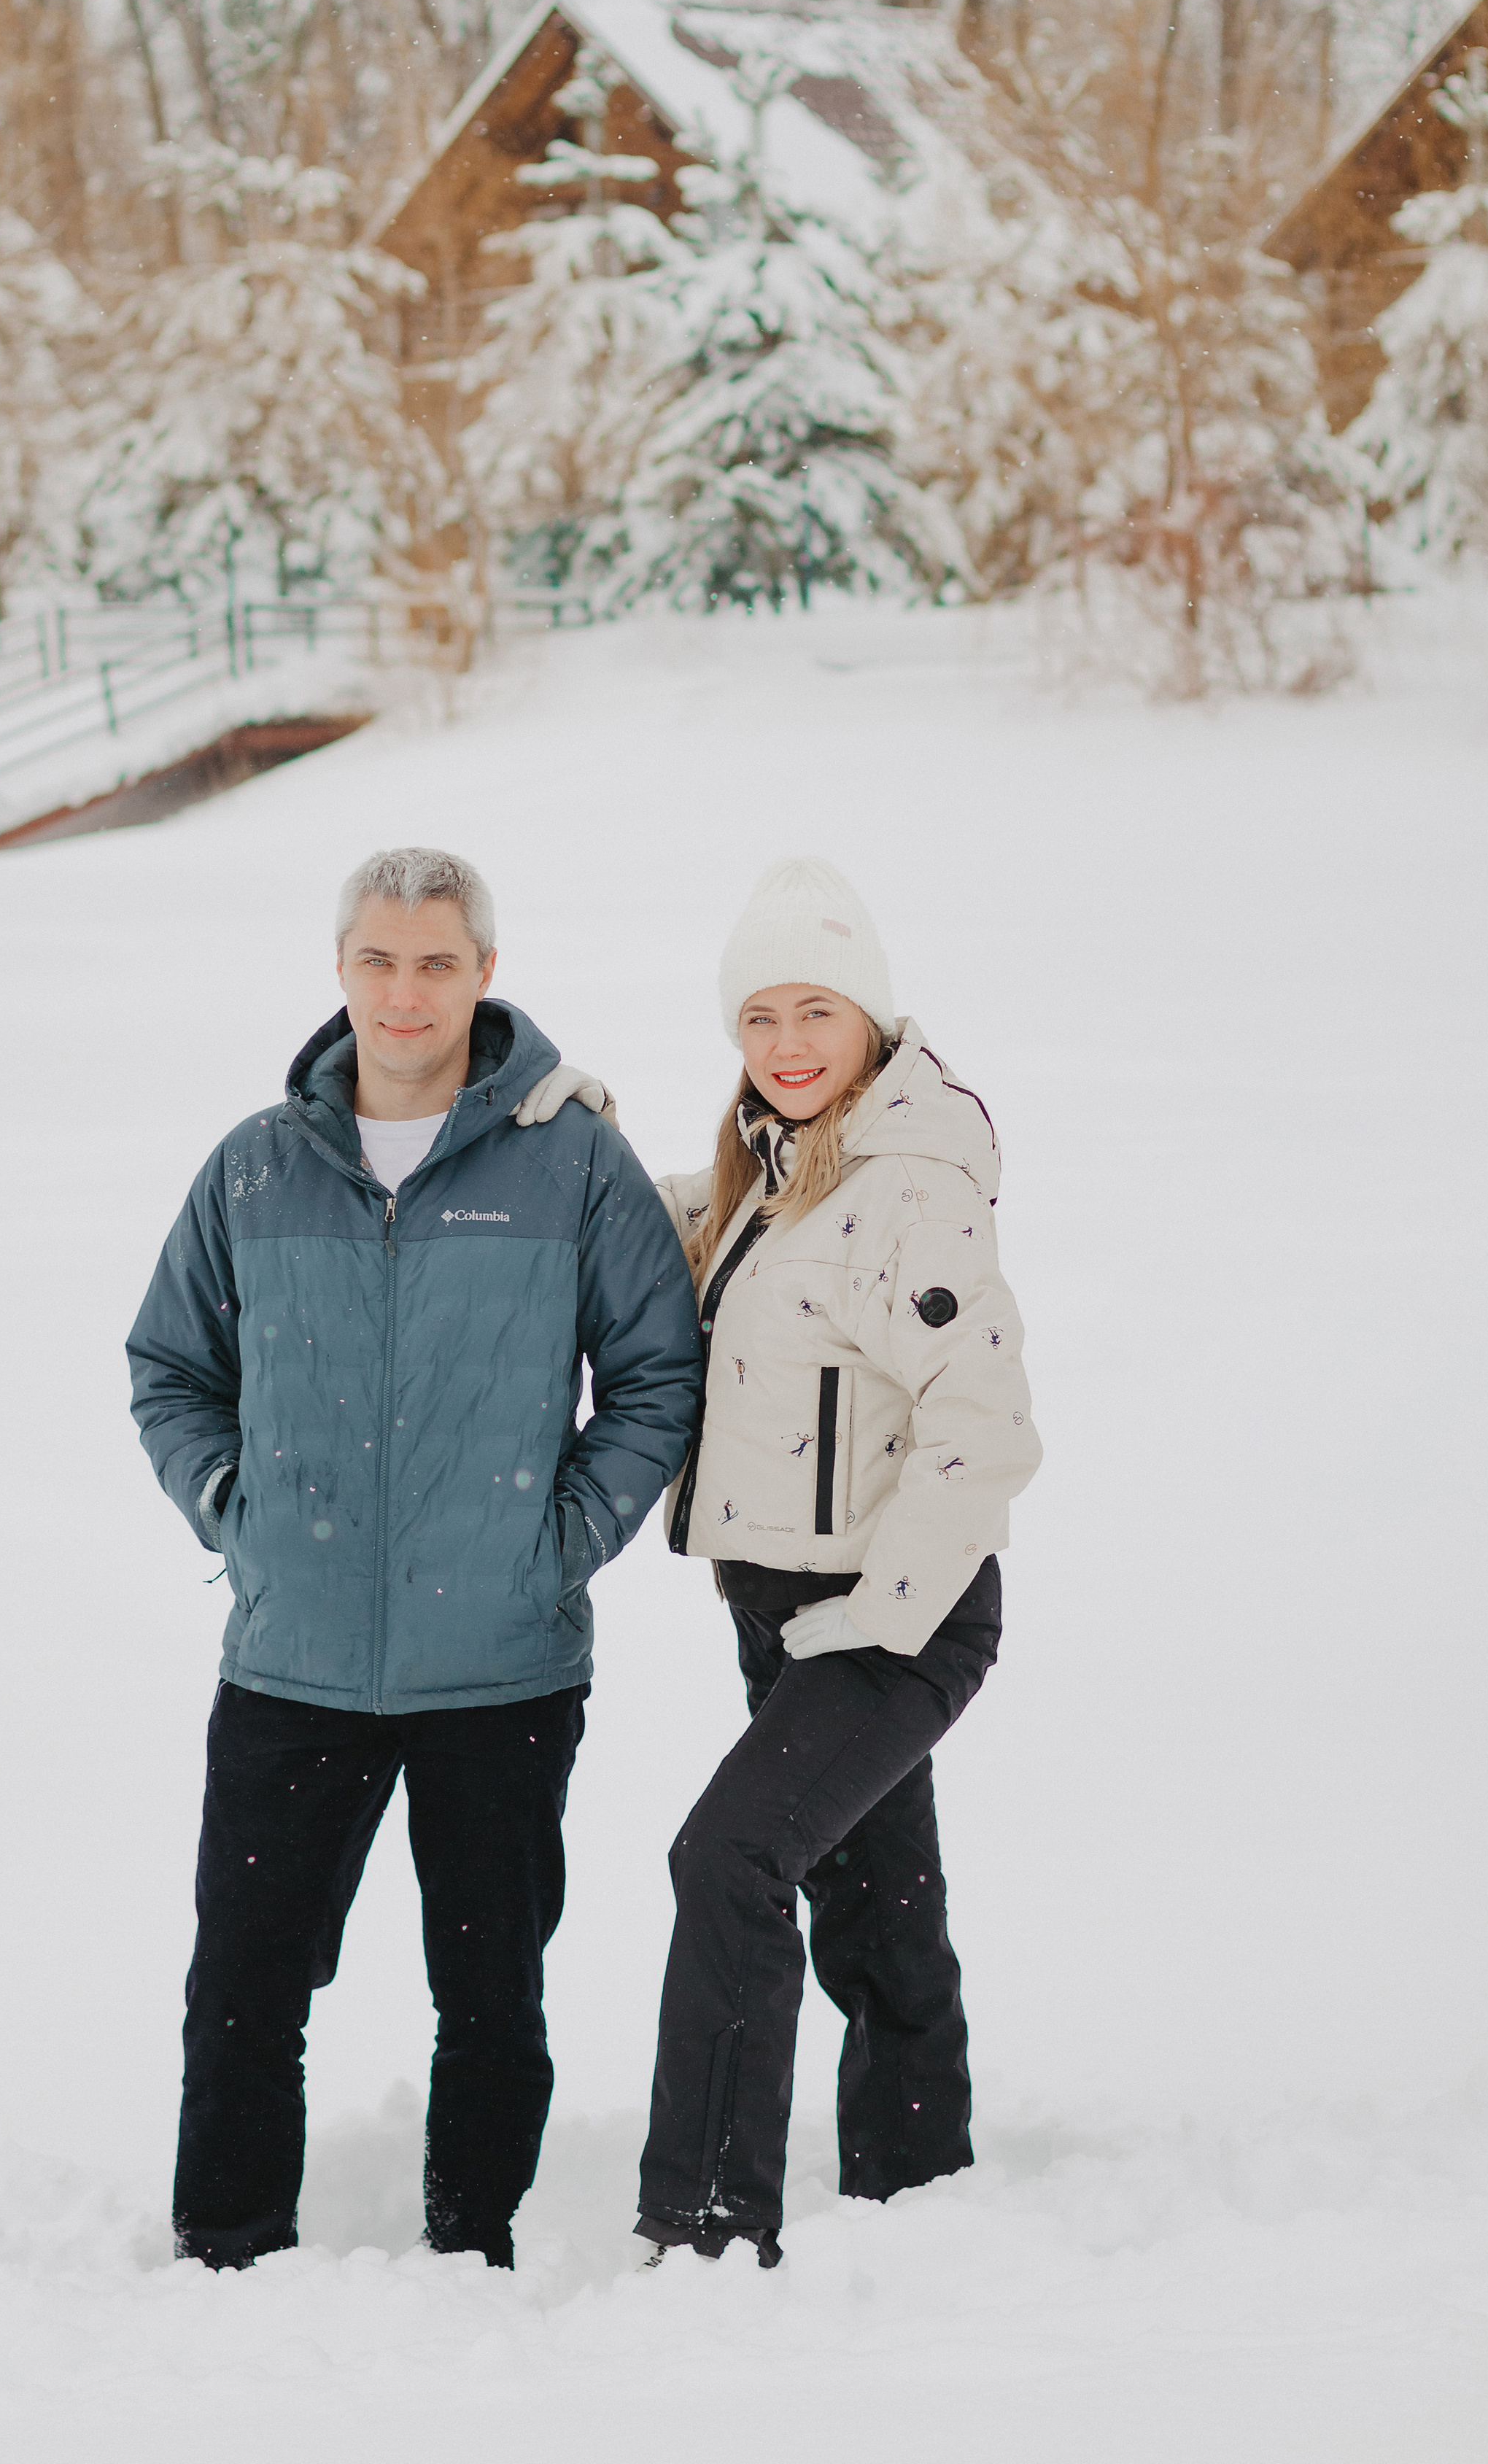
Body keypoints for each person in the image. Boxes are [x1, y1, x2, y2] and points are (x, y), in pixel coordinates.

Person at [126, 845, 702, 2274]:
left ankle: (469, 2251)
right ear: (338, 971)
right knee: (246, 1984)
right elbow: (167, 1365)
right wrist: (228, 1502)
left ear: (484, 975)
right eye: (377, 960)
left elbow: (654, 1380)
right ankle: (228, 2253)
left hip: (497, 1667)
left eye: (437, 962)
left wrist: (552, 1542)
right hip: (292, 1663)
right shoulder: (256, 1167)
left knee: (490, 1991)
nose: (405, 991)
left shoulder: (569, 1164)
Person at [632, 856, 1042, 2265]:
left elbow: (982, 1425)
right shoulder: (778, 1169)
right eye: (760, 1018)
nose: (788, 1045)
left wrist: (881, 1616)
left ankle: (704, 2220)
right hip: (783, 1604)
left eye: (816, 1011)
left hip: (890, 1616)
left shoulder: (909, 1185)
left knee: (728, 1857)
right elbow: (685, 1220)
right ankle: (921, 2189)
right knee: (872, 1905)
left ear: (870, 1018)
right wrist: (567, 1130)